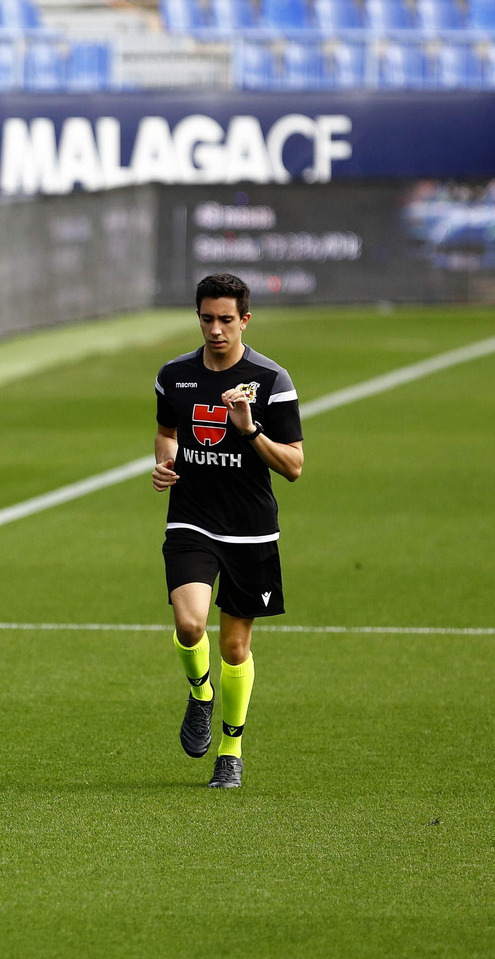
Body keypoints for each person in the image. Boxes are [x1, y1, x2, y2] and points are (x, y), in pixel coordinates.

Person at [150, 273, 304, 789]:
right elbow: (167, 432)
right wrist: (164, 465)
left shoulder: (271, 380)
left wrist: (249, 430)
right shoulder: (174, 375)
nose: (215, 329)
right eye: (206, 318)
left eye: (225, 319)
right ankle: (200, 694)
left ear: (245, 319)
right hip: (191, 517)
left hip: (250, 529)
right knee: (190, 624)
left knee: (236, 649)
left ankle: (231, 751)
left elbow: (294, 466)